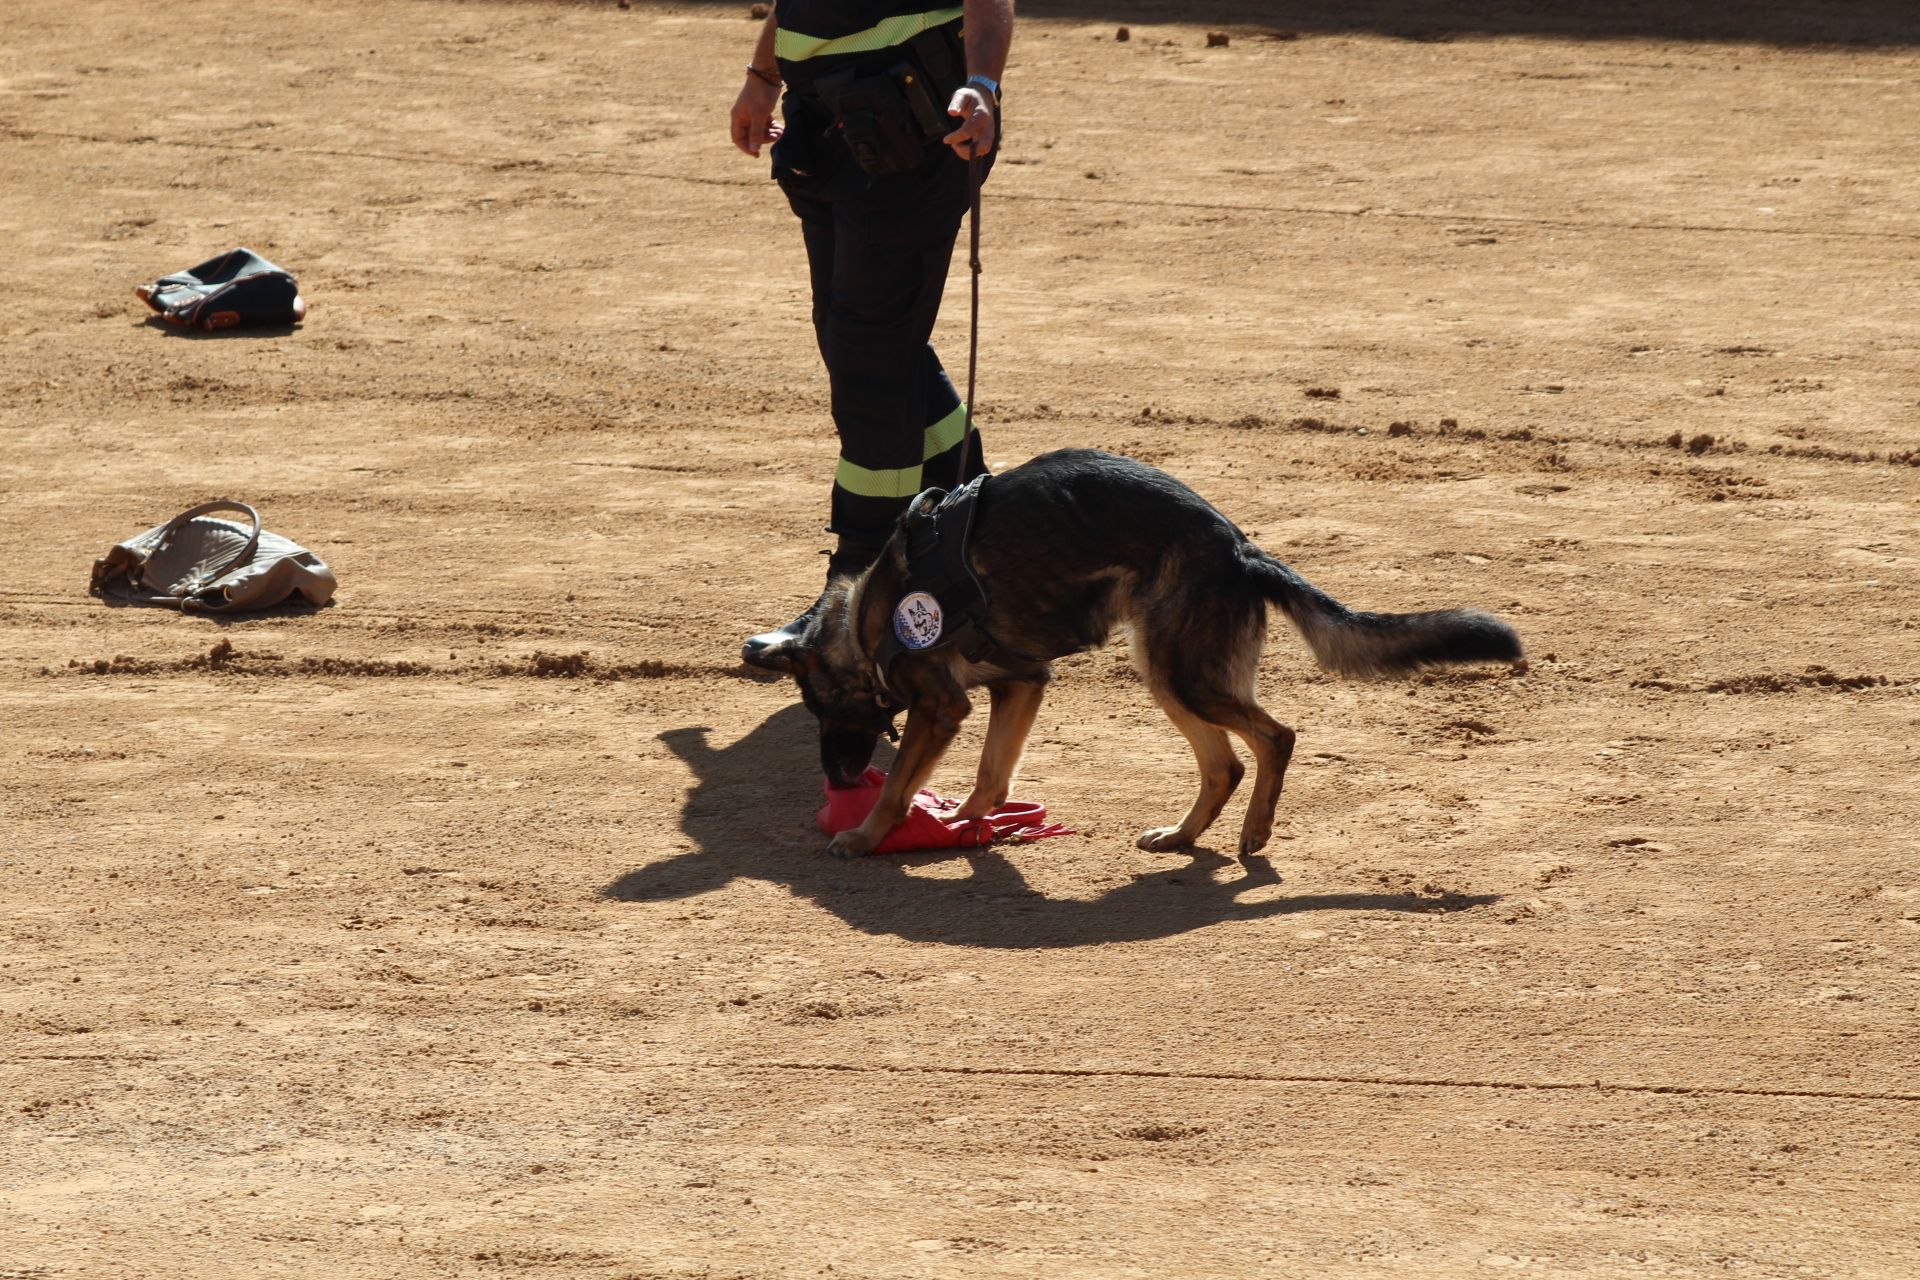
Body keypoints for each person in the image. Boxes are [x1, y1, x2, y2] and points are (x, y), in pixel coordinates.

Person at [730, 0, 1014, 669]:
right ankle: (978, 525)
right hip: (829, 127)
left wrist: (986, 86)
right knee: (863, 344)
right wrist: (763, 76)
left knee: (870, 362)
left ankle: (856, 600)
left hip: (912, 135)